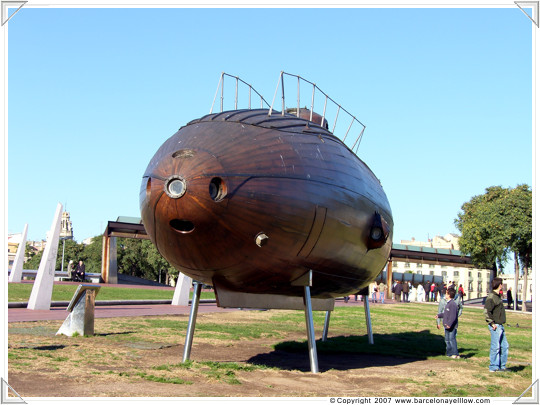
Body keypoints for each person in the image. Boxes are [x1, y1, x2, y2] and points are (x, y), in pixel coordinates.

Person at [484, 277, 509, 372]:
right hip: (495, 326)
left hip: (500, 325)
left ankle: (502, 366)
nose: (502, 285)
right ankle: (493, 367)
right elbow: (486, 311)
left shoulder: (498, 296)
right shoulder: (491, 297)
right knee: (496, 347)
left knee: (505, 346)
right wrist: (491, 323)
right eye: (501, 284)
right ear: (499, 285)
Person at [435, 288, 460, 358]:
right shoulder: (448, 304)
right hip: (446, 325)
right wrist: (439, 315)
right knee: (447, 340)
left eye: (446, 293)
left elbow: (453, 316)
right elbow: (446, 314)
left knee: (452, 339)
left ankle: (455, 353)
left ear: (449, 295)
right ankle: (449, 353)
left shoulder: (453, 304)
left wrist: (449, 324)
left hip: (451, 326)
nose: (445, 295)